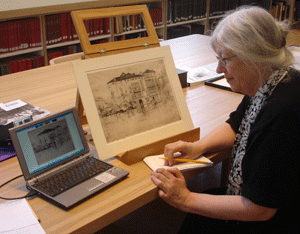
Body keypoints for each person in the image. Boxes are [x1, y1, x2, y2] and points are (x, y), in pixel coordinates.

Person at [151, 6, 300, 234]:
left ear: (253, 57)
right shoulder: (272, 80)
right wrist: (197, 147)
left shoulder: (282, 111)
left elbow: (260, 209)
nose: (220, 69)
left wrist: (186, 199)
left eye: (225, 59)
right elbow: (237, 124)